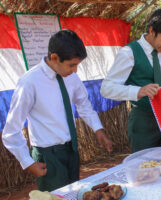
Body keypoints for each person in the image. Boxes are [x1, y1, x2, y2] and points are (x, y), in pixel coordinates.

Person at [2, 29, 113, 191]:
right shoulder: (29, 82)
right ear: (54, 58)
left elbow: (84, 104)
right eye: (72, 65)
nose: (75, 70)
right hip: (48, 155)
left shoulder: (71, 77)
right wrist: (27, 162)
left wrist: (98, 128)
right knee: (55, 196)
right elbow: (11, 130)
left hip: (71, 150)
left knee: (73, 192)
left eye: (77, 65)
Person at [100, 8, 161, 153]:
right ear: (151, 31)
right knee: (146, 170)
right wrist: (139, 91)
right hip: (142, 124)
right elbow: (106, 88)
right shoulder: (129, 53)